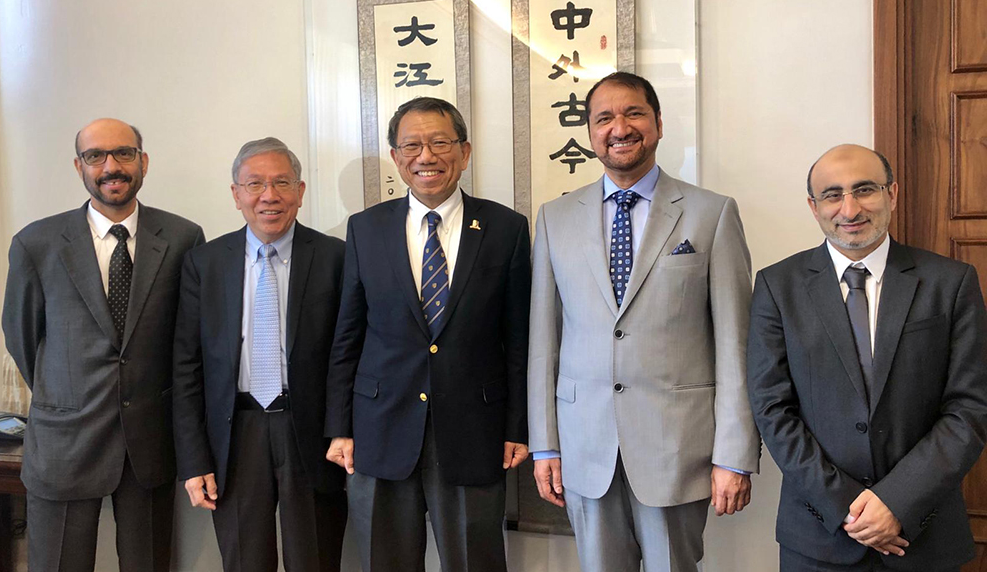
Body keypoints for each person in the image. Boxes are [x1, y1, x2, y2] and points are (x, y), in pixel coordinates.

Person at [528, 71, 760, 572]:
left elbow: (735, 344)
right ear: (589, 134)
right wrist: (545, 444)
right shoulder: (554, 218)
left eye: (633, 113)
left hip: (677, 448)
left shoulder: (710, 214)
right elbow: (543, 342)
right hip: (584, 444)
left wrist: (735, 453)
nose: (619, 127)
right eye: (603, 118)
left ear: (658, 123)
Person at [747, 144, 987, 571]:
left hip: (923, 536)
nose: (850, 208)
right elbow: (772, 409)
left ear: (891, 193)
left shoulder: (949, 283)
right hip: (819, 537)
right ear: (813, 206)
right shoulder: (776, 287)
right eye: (833, 195)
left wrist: (897, 501)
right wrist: (846, 506)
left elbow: (970, 406)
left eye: (865, 190)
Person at [324, 96, 531, 572]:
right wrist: (339, 427)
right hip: (380, 427)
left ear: (465, 151)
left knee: (474, 559)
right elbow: (347, 337)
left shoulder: (505, 228)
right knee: (386, 558)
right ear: (396, 158)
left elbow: (519, 340)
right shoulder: (366, 228)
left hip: (474, 430)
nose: (426, 156)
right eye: (412, 145)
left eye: (440, 142)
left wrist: (517, 426)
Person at [1, 118, 205, 571]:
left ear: (143, 161)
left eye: (123, 153)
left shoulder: (182, 238)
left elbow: (187, 340)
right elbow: (22, 336)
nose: (111, 166)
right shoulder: (37, 243)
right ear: (80, 167)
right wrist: (66, 394)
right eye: (96, 156)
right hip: (65, 441)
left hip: (149, 442)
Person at [172, 137, 347, 571]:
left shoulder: (335, 258)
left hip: (310, 432)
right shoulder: (204, 263)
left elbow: (350, 356)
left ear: (301, 192)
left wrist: (344, 430)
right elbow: (186, 369)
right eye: (255, 185)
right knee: (244, 560)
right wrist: (194, 461)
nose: (269, 196)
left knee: (316, 558)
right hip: (235, 434)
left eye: (282, 183)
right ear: (236, 195)